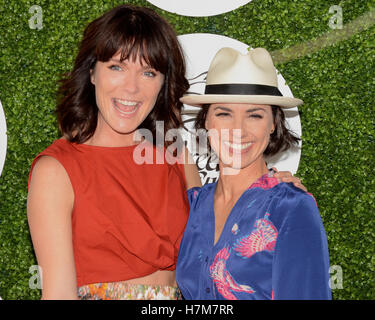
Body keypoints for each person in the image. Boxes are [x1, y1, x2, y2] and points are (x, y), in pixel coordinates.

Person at [27, 5, 305, 300]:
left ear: (163, 83)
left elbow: (217, 250)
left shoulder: (175, 155)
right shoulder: (56, 170)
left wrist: (272, 194)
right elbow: (58, 295)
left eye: (148, 72)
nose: (131, 88)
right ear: (92, 72)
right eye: (117, 67)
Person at [176, 47, 332, 300]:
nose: (238, 129)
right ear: (206, 121)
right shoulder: (194, 203)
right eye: (224, 113)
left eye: (255, 115)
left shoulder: (291, 207)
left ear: (273, 123)